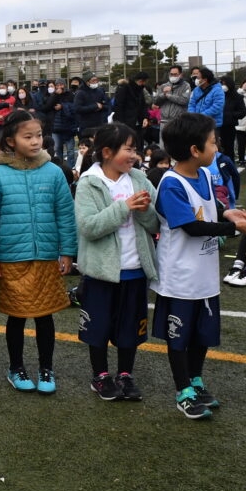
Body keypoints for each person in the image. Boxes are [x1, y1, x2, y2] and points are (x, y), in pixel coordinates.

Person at [151, 112, 246, 420]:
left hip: (205, 275)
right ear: (194, 150)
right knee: (179, 337)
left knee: (202, 334)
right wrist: (234, 229)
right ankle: (183, 390)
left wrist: (228, 213)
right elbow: (191, 226)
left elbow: (211, 207)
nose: (217, 147)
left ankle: (196, 380)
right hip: (180, 278)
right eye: (213, 143)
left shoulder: (202, 174)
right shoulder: (171, 183)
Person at [0, 109, 76, 393]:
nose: (35, 141)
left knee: (45, 316)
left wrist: (68, 251)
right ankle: (16, 367)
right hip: (12, 258)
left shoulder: (54, 171)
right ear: (11, 141)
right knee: (17, 316)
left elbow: (65, 214)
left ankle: (46, 368)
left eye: (39, 136)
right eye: (28, 137)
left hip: (46, 256)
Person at [74, 123, 159, 401]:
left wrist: (144, 211)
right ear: (107, 152)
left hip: (135, 270)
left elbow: (156, 222)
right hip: (101, 273)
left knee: (130, 329)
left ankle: (125, 374)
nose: (134, 155)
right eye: (128, 149)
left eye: (135, 149)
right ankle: (100, 375)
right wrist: (125, 207)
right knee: (97, 328)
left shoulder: (139, 179)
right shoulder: (89, 182)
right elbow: (89, 227)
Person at [73, 72, 109, 137]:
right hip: (86, 127)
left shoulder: (100, 91)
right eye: (93, 80)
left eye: (96, 80)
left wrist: (102, 107)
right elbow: (77, 108)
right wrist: (94, 107)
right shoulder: (80, 93)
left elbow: (107, 106)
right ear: (87, 82)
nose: (95, 82)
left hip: (99, 125)